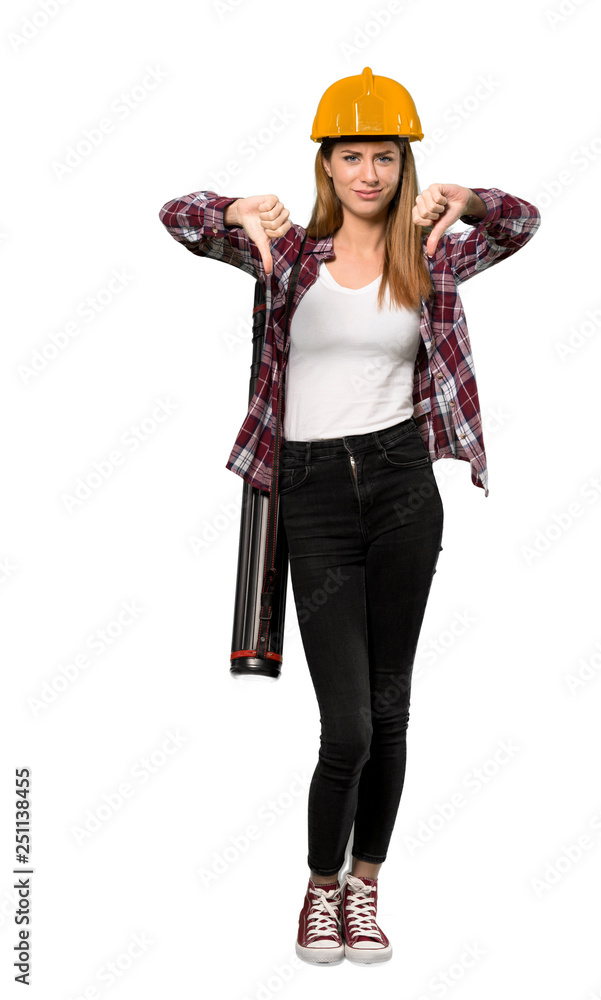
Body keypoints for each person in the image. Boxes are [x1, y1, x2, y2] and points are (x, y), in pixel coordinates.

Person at [159, 66, 541, 966]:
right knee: (349, 728)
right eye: (349, 157)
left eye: (382, 156)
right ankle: (319, 887)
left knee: (392, 708)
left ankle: (365, 891)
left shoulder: (435, 250)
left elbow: (523, 223)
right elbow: (176, 216)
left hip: (405, 484)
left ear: (402, 165)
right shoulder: (286, 251)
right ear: (324, 167)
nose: (367, 173)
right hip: (314, 491)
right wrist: (234, 205)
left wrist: (471, 197)